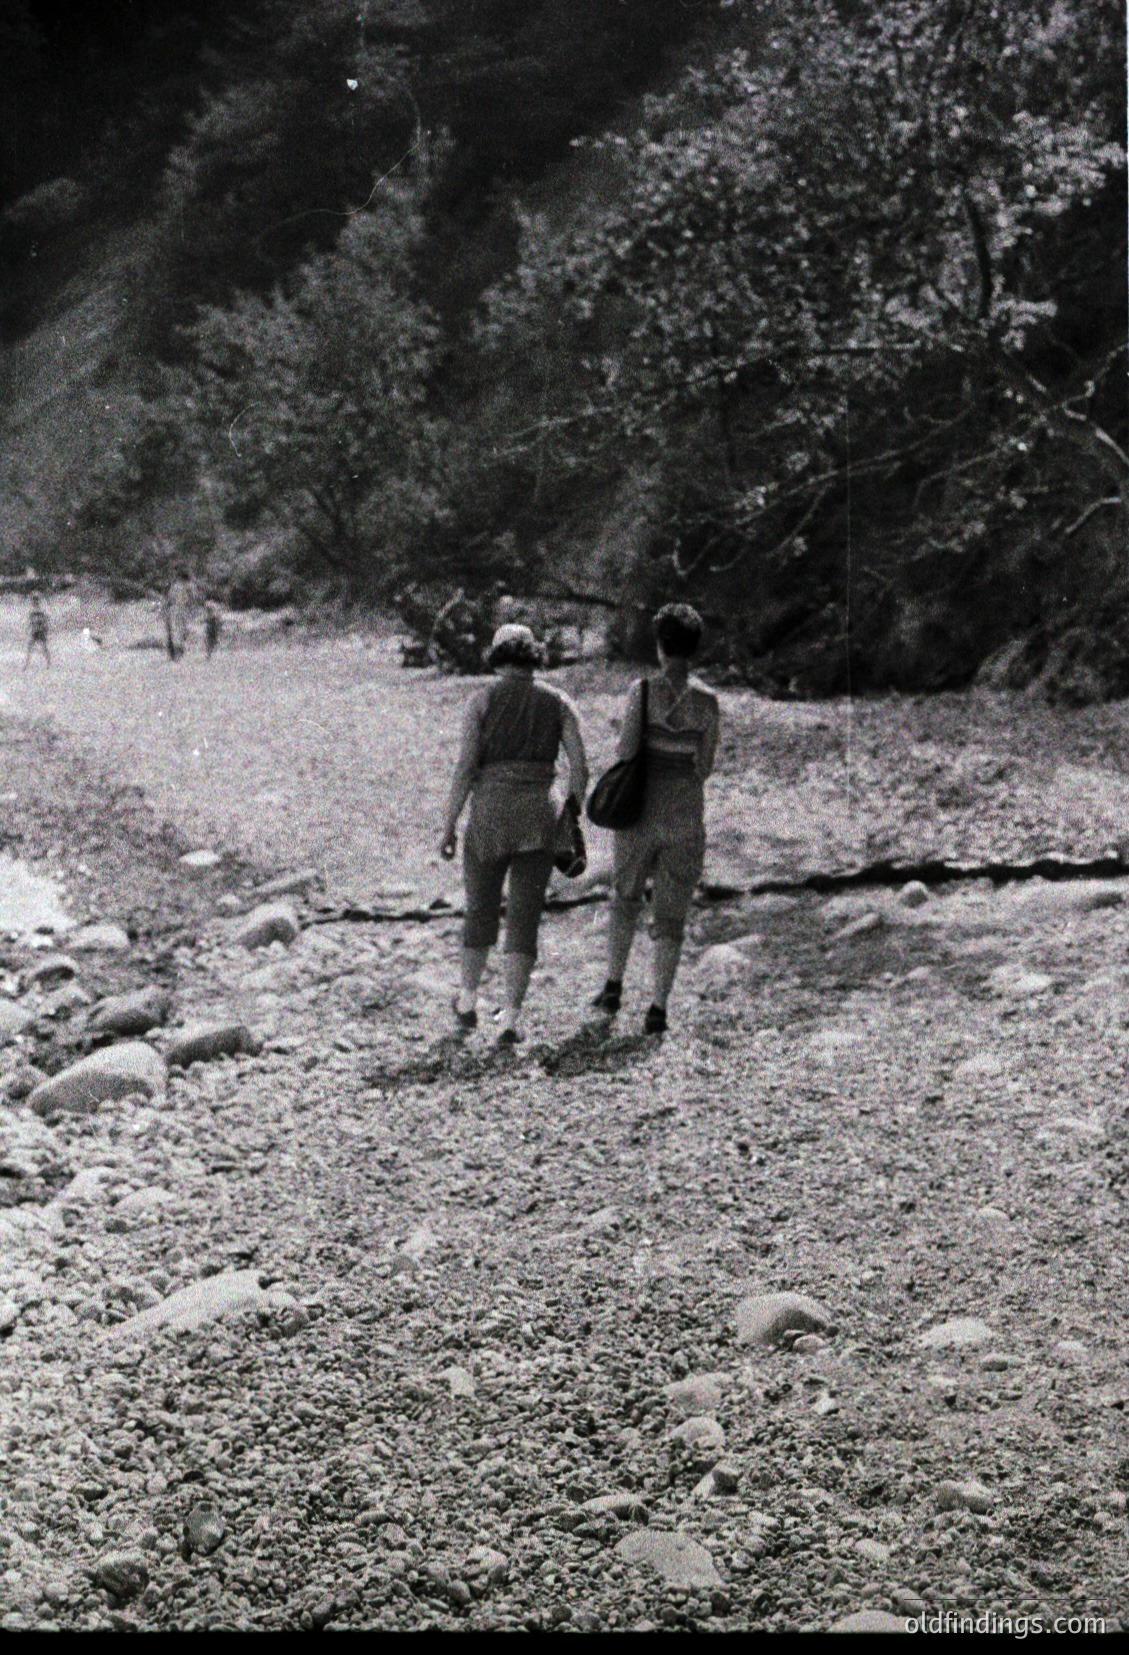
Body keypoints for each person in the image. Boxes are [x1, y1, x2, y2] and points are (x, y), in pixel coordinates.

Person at [440, 623, 589, 1044]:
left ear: (499, 657)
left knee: (480, 909)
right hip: (540, 815)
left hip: (490, 814)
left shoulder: (481, 700)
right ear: (533, 657)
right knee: (524, 918)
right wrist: (571, 815)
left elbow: (466, 768)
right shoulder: (559, 702)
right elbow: (580, 767)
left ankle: (467, 1003)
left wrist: (448, 824)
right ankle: (510, 1020)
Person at [592, 603, 720, 1036]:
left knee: (625, 896)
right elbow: (704, 766)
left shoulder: (641, 691)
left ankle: (613, 986)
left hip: (641, 810)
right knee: (671, 915)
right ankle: (658, 1008)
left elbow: (627, 752)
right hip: (686, 813)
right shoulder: (708, 702)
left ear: (661, 646)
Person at [164, 570, 190, 660]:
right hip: (181, 610)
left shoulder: (174, 587)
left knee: (174, 631)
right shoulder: (184, 588)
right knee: (180, 631)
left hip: (174, 610)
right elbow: (187, 600)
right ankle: (178, 652)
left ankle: (175, 654)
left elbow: (169, 599)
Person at [25, 593, 50, 667]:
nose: (34, 601)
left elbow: (45, 619)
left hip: (40, 630)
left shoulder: (40, 609)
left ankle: (48, 662)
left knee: (43, 647)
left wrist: (44, 628)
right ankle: (27, 663)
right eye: (33, 600)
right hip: (35, 630)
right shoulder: (33, 609)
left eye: (35, 600)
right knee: (31, 646)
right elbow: (31, 620)